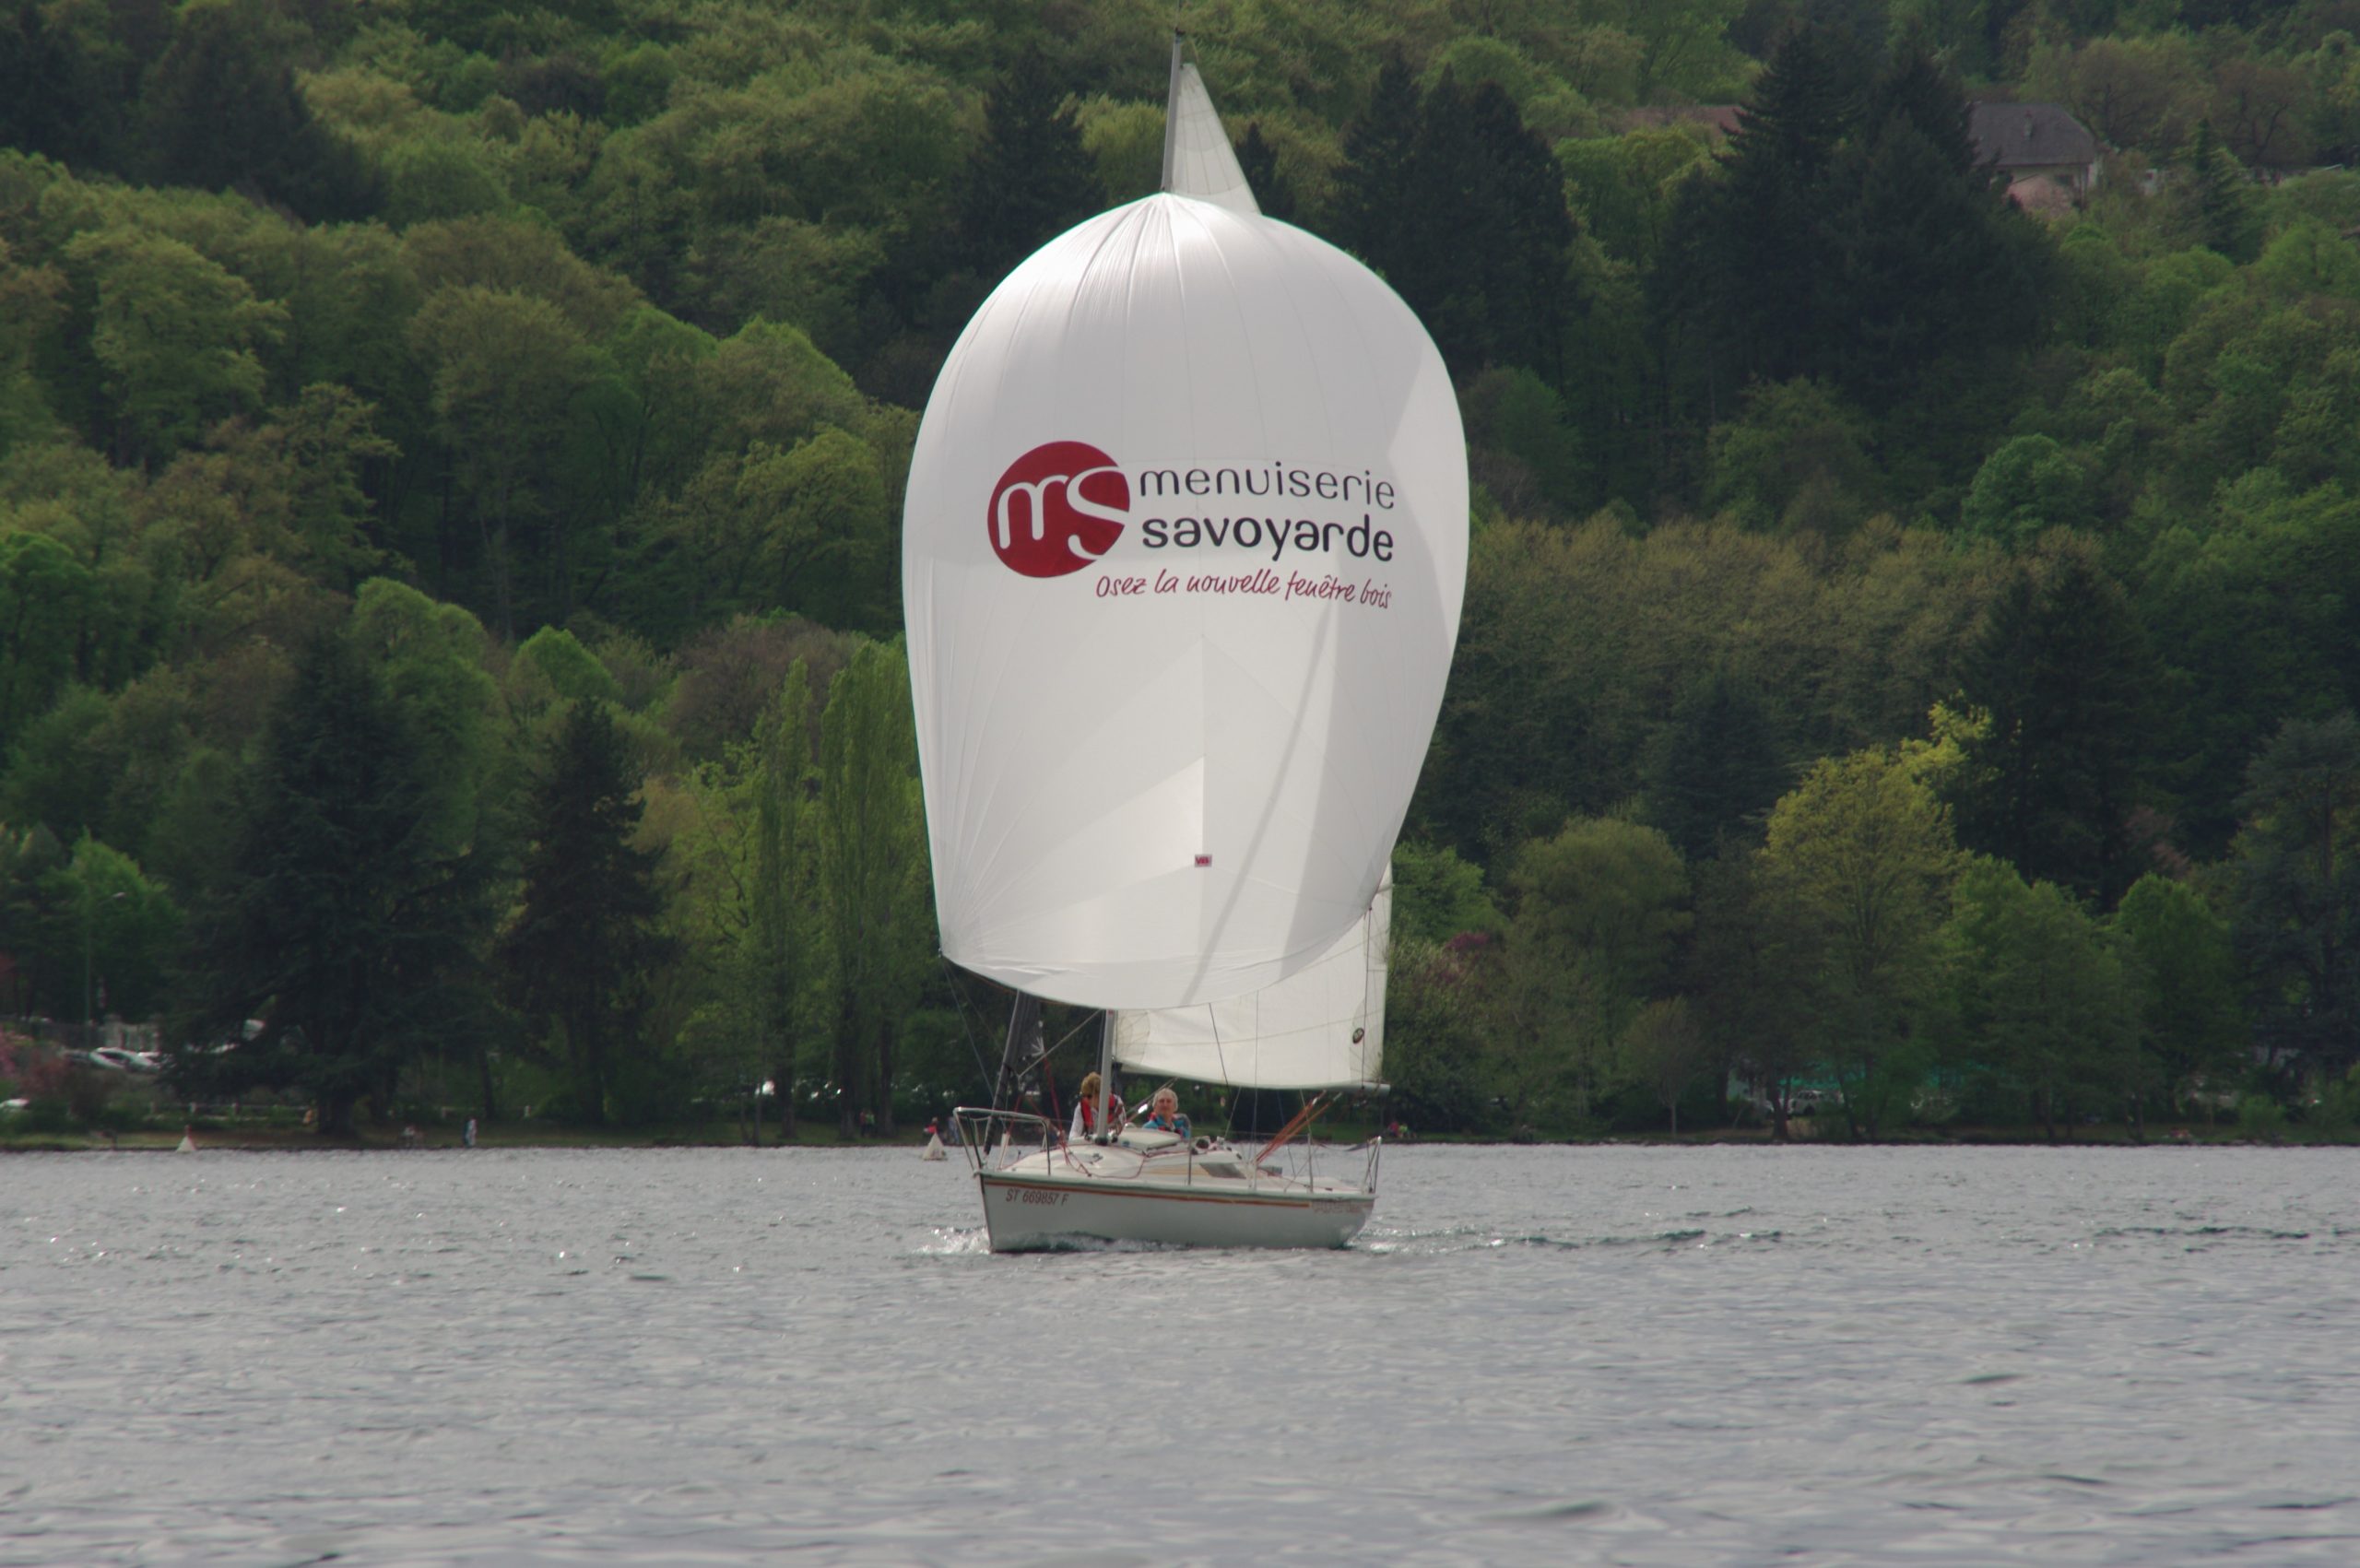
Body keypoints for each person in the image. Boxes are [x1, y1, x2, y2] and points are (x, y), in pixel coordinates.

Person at [1070, 1072, 1125, 1139]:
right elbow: (1074, 1134)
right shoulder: (1080, 1108)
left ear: (1100, 1094)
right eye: (1083, 1095)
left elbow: (1121, 1132)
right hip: (1089, 1144)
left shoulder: (1117, 1104)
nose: (1086, 1099)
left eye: (1089, 1096)